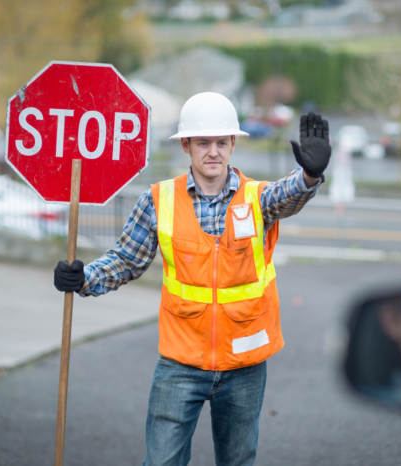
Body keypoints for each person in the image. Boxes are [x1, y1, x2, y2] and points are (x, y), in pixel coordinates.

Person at [53, 92, 331, 466]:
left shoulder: (257, 199)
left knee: (237, 461)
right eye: (203, 142)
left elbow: (289, 193)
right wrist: (84, 278)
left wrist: (311, 175)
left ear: (233, 143)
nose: (213, 151)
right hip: (180, 362)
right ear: (186, 145)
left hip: (244, 364)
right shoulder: (158, 200)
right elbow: (126, 260)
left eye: (221, 142)